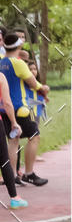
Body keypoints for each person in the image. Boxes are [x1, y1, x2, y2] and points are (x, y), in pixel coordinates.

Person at [0, 30, 50, 187]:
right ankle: (29, 173)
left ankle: (13, 175)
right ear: (19, 45)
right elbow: (33, 83)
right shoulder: (18, 63)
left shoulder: (1, 62)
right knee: (34, 136)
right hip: (20, 108)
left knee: (13, 140)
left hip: (4, 108)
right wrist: (44, 88)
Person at [0, 71, 27, 208]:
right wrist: (14, 122)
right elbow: (7, 103)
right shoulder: (1, 77)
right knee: (4, 160)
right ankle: (14, 198)